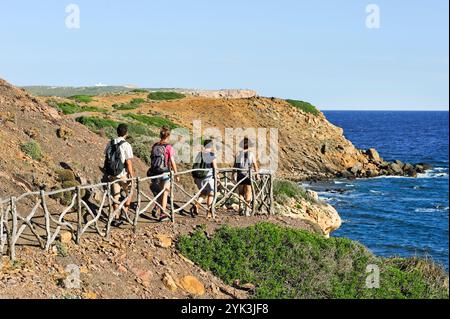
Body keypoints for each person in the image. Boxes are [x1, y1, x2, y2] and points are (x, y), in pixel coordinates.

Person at [104, 123, 134, 227]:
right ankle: (124, 212)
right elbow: (128, 162)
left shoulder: (110, 143)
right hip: (123, 174)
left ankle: (116, 217)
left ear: (117, 131)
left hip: (112, 173)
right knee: (129, 192)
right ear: (126, 133)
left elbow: (106, 156)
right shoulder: (126, 145)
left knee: (115, 195)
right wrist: (132, 176)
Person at [148, 126, 179, 222]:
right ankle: (162, 214)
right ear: (168, 136)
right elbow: (172, 162)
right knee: (165, 192)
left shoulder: (155, 145)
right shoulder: (169, 147)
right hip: (165, 172)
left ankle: (156, 206)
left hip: (155, 171)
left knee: (161, 191)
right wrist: (176, 174)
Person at [191, 139, 218, 219]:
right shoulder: (212, 155)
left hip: (199, 177)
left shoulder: (199, 154)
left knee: (204, 192)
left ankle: (197, 204)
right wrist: (218, 176)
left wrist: (195, 178)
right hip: (208, 177)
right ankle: (209, 213)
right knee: (211, 194)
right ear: (211, 146)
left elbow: (195, 165)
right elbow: (215, 168)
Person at [233, 137, 259, 216]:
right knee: (248, 193)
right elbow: (255, 165)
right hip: (248, 175)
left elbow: (234, 166)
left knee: (240, 193)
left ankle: (241, 208)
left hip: (240, 174)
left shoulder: (238, 154)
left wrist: (232, 175)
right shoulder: (251, 154)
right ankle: (247, 209)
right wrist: (257, 174)